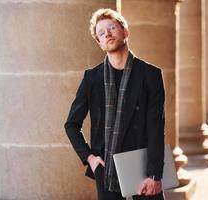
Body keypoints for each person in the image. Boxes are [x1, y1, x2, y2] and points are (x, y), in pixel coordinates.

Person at [64, 8, 165, 200]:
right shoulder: (91, 78)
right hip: (106, 168)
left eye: (112, 27)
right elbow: (71, 124)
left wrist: (155, 175)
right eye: (101, 33)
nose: (107, 34)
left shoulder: (150, 75)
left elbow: (156, 128)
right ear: (99, 43)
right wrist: (90, 158)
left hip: (142, 166)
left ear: (125, 31)